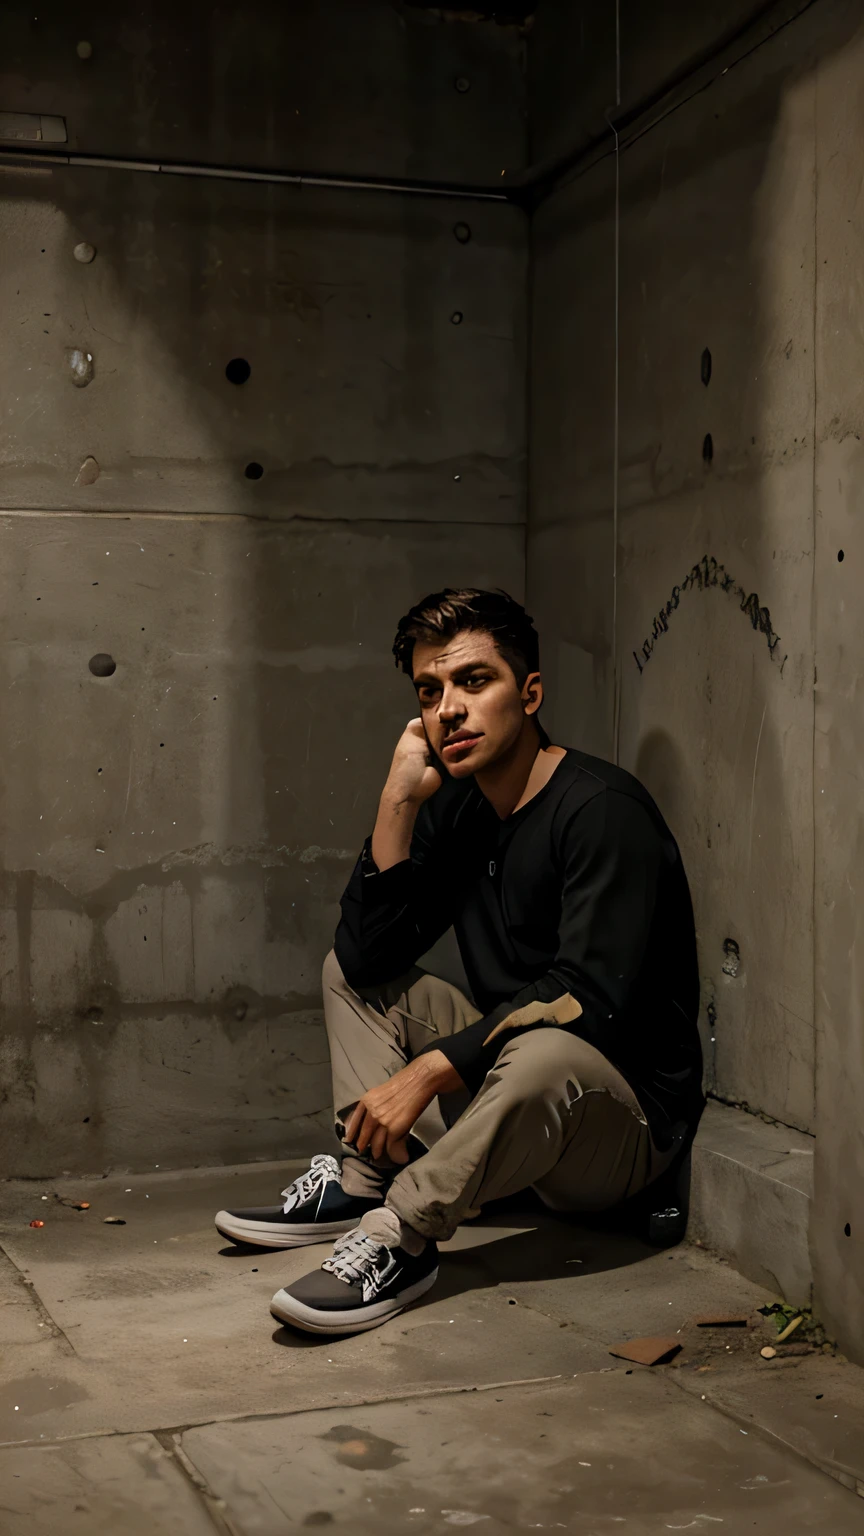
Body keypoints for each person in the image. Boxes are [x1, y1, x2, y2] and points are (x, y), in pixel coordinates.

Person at [215, 588, 704, 1336]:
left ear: (530, 692)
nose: (449, 708)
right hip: (516, 1093)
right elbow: (368, 952)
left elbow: (587, 998)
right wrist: (399, 798)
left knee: (544, 1050)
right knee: (350, 977)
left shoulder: (602, 809)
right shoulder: (465, 810)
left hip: (618, 1131)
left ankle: (400, 1238)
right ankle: (362, 1183)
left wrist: (429, 1070)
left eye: (474, 681)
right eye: (430, 690)